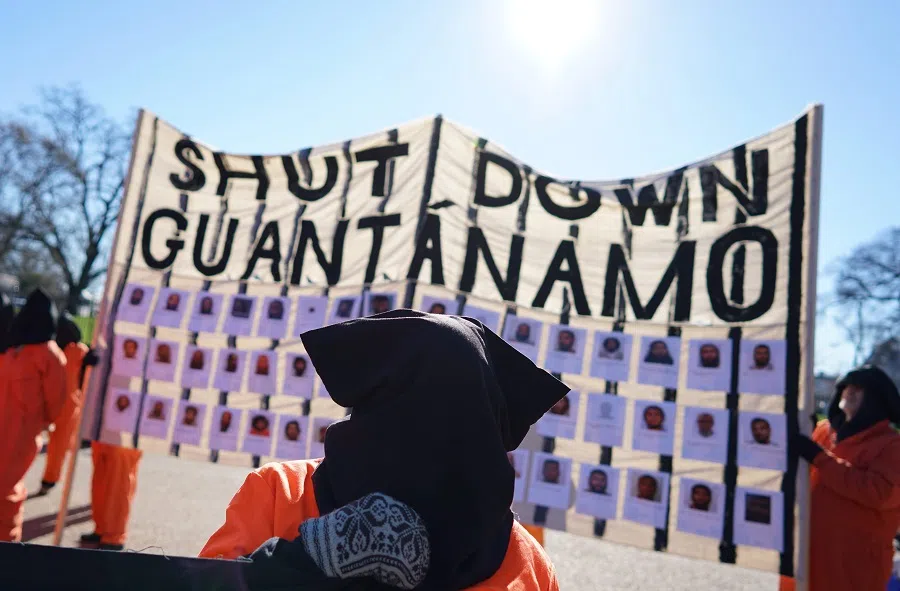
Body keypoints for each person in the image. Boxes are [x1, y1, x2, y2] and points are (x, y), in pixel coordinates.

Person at [198, 309, 565, 590]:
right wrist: (305, 559)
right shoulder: (279, 493)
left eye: (454, 417)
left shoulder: (527, 562)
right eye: (412, 409)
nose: (428, 434)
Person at [792, 365, 900, 591]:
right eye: (846, 386)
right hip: (808, 555)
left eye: (859, 388)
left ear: (876, 400)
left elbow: (880, 493)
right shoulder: (822, 431)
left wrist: (819, 458)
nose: (849, 391)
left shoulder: (892, 445)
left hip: (853, 567)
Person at [0, 289, 67, 542]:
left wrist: (36, 423)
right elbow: (56, 402)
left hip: (19, 434)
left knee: (5, 493)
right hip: (20, 430)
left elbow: (55, 403)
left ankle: (7, 552)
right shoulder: (14, 349)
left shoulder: (43, 354)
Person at [40, 314, 98, 495]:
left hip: (46, 402)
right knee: (59, 446)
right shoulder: (77, 350)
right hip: (69, 405)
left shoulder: (50, 349)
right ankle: (50, 479)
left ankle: (47, 479)